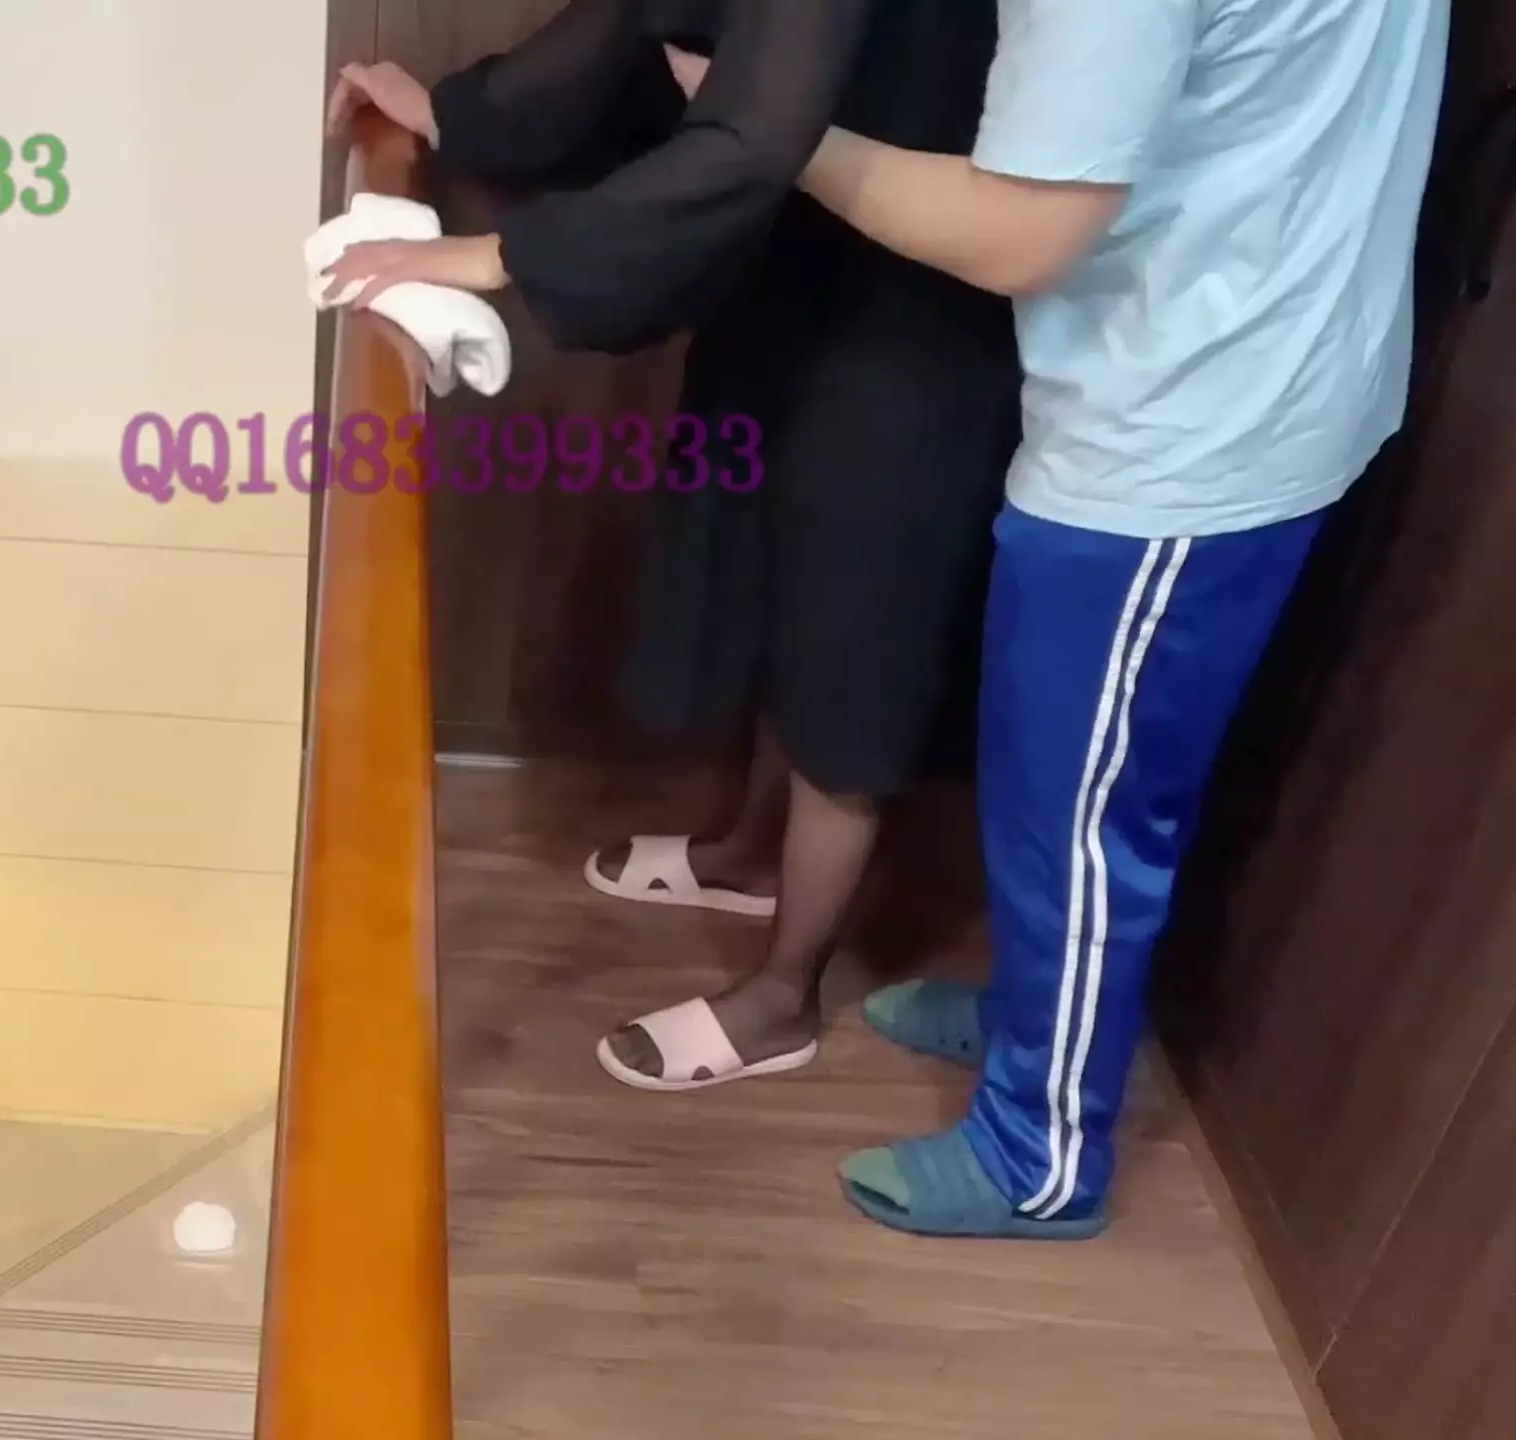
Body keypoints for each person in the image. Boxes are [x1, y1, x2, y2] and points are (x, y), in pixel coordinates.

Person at [668, 0, 1449, 1237]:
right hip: (1274, 349)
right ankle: (1033, 1011)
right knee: (1062, 784)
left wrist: (764, 129)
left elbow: (1018, 234)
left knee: (1079, 824)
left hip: (1184, 432)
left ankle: (1038, 1153)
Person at [324, 0, 1020, 1092]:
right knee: (775, 572)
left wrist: (503, 254)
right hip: (800, 262)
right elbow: (642, 16)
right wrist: (458, 112)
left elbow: (754, 135)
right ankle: (749, 856)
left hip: (922, 308)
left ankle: (783, 997)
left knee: (851, 638)